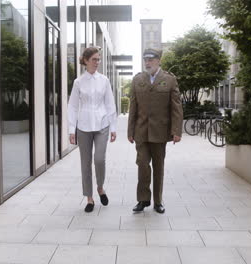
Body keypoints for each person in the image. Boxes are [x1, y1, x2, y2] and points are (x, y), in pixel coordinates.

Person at [128, 48, 183, 214]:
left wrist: (176, 131)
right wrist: (130, 131)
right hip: (141, 132)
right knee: (142, 164)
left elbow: (176, 108)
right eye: (145, 59)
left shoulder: (169, 80)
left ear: (159, 60)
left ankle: (158, 201)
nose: (148, 62)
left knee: (159, 167)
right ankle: (143, 199)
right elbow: (133, 107)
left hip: (160, 131)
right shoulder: (138, 80)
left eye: (151, 59)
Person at [68, 47, 117, 213]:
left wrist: (114, 127)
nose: (97, 62)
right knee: (85, 163)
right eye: (94, 59)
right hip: (83, 126)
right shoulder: (78, 82)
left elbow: (110, 104)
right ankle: (89, 198)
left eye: (98, 59)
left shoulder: (104, 80)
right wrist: (71, 129)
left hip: (102, 124)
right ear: (86, 61)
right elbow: (73, 107)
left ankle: (100, 187)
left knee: (99, 159)